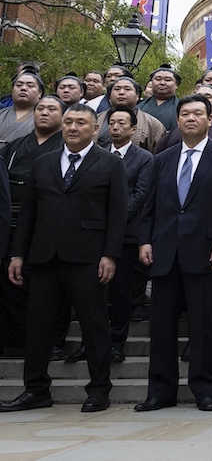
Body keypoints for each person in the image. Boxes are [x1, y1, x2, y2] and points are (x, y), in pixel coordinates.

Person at [0, 104, 126, 413]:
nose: (72, 127)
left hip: (88, 257)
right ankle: (36, 389)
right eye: (68, 121)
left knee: (94, 326)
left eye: (80, 122)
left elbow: (117, 214)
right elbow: (28, 213)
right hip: (44, 257)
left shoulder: (110, 163)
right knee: (38, 326)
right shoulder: (43, 163)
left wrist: (110, 254)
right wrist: (18, 253)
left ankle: (99, 389)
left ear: (94, 129)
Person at [135, 95, 212, 412]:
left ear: (210, 119)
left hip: (208, 251)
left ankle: (205, 389)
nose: (191, 118)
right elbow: (148, 205)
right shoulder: (162, 159)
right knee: (161, 327)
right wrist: (145, 241)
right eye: (185, 114)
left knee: (204, 326)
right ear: (178, 120)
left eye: (198, 113)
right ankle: (160, 391)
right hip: (165, 251)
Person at [0, 95, 64, 355]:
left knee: (49, 288)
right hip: (13, 225)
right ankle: (15, 341)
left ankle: (52, 342)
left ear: (63, 116)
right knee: (12, 285)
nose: (44, 113)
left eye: (51, 109)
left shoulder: (66, 147)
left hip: (49, 228)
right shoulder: (15, 146)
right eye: (40, 109)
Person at [102, 106, 153, 365]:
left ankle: (116, 343)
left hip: (127, 234)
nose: (115, 127)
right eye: (112, 122)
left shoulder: (144, 158)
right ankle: (92, 343)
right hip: (95, 233)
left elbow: (141, 194)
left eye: (122, 123)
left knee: (121, 292)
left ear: (133, 129)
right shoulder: (98, 154)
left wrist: (115, 218)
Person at [96, 77, 166, 153]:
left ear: (137, 96)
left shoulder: (153, 124)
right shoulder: (96, 119)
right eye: (117, 89)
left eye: (127, 89)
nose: (121, 92)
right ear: (109, 96)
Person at [0, 71, 43, 146]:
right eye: (19, 85)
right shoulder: (1, 113)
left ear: (40, 93)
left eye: (30, 86)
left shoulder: (44, 118)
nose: (23, 88)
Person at [139, 65, 181, 131]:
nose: (162, 83)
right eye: (158, 79)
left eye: (167, 80)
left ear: (176, 84)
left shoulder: (181, 108)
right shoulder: (139, 107)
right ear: (151, 82)